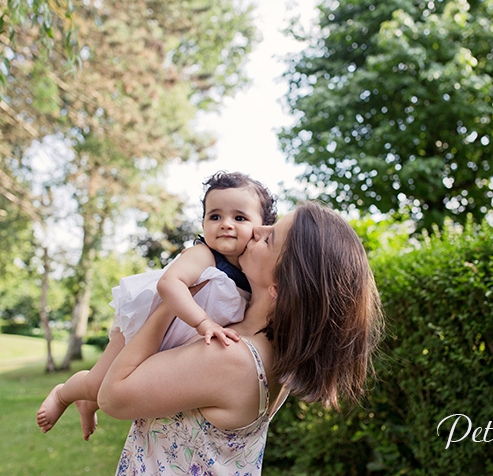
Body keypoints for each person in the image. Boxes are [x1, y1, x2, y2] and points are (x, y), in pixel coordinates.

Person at [97, 201, 384, 475]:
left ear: (279, 286)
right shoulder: (267, 351)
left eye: (269, 239)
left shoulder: (231, 357)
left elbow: (113, 397)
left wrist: (169, 306)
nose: (257, 230)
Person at [36, 171, 277, 440]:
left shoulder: (252, 272)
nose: (225, 224)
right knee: (96, 384)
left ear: (262, 227)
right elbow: (169, 284)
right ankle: (63, 393)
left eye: (239, 218)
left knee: (116, 384)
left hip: (179, 341)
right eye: (215, 216)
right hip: (145, 326)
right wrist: (203, 322)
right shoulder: (204, 255)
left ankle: (88, 401)